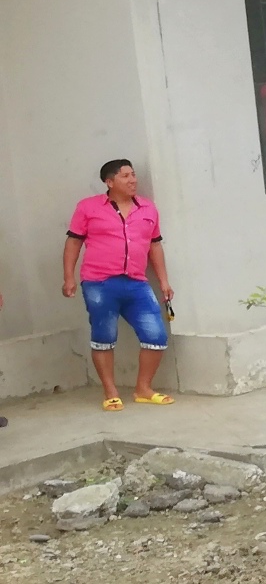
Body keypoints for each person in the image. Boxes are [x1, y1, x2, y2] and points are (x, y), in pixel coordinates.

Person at [64, 158, 174, 409]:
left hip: (136, 282)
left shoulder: (148, 208)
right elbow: (73, 242)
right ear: (109, 182)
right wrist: (68, 277)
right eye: (125, 176)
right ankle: (110, 392)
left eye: (133, 175)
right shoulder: (88, 207)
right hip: (99, 282)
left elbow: (155, 245)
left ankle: (143, 389)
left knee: (156, 336)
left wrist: (164, 281)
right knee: (104, 336)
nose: (133, 180)